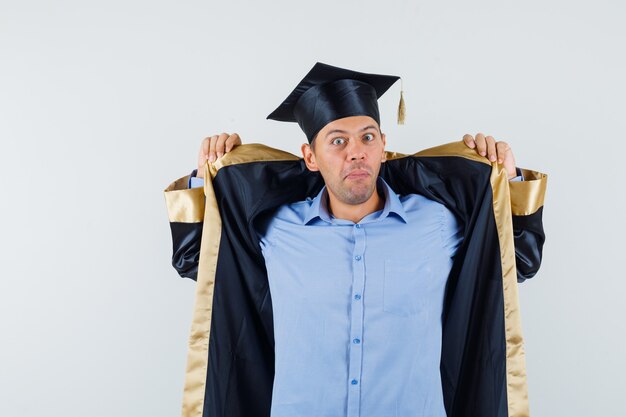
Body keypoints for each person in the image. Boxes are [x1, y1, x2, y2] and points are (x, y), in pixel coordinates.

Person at [164, 62, 547, 417]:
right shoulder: (273, 227)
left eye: (367, 137)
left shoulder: (439, 223)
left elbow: (514, 265)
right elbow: (202, 265)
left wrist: (504, 182)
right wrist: (208, 179)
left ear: (383, 145)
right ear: (310, 157)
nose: (356, 153)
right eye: (337, 141)